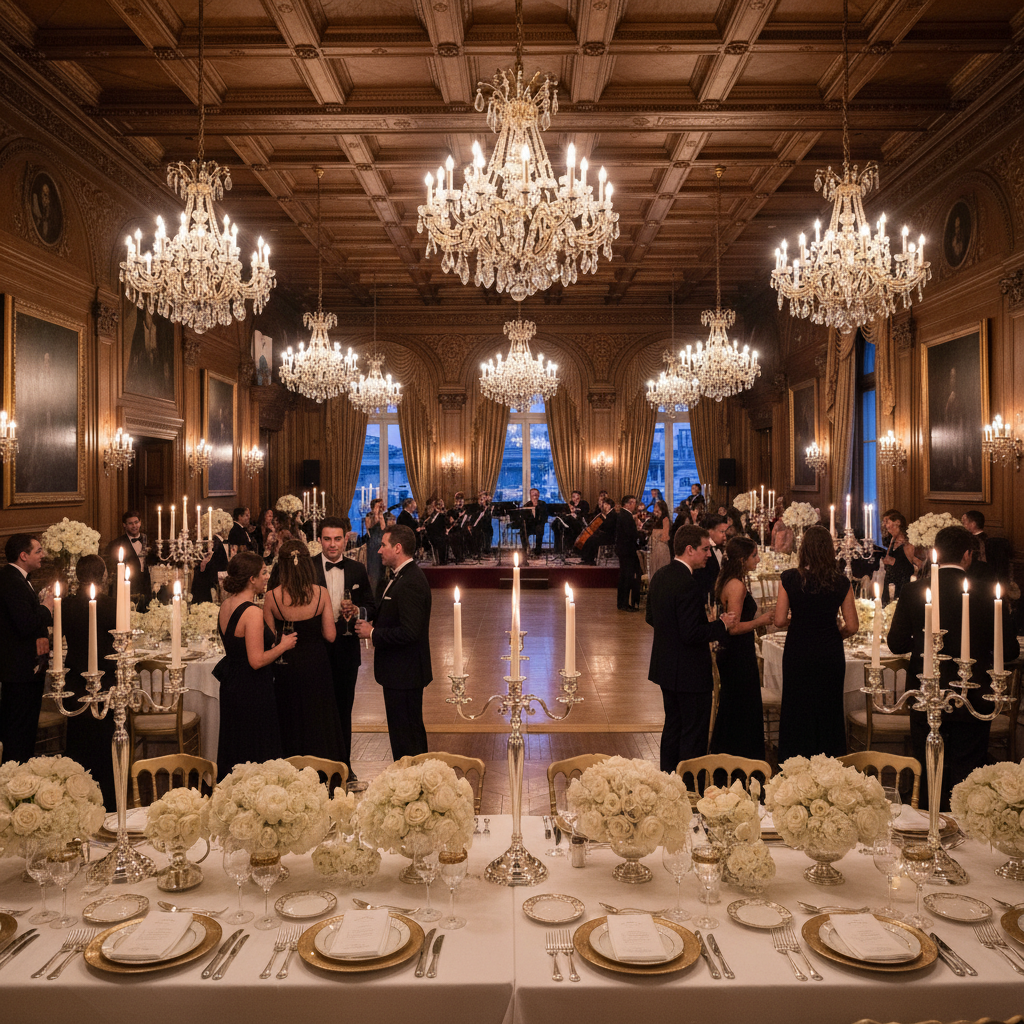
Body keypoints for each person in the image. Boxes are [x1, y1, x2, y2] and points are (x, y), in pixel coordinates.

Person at [887, 525, 1020, 809]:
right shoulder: (988, 594)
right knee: (968, 776)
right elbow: (1009, 651)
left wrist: (923, 638)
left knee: (927, 769)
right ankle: (966, 835)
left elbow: (896, 644)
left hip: (926, 694)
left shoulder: (914, 590)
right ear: (967, 556)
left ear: (936, 552)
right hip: (973, 697)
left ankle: (925, 828)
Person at [646, 525, 737, 771]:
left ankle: (666, 781)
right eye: (705, 549)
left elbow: (650, 617)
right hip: (690, 672)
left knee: (673, 727)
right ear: (689, 549)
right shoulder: (688, 584)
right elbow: (692, 633)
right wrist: (721, 625)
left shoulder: (660, 575)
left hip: (666, 668)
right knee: (693, 734)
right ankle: (688, 789)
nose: (709, 554)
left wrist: (672, 633)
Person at [774, 525, 858, 761]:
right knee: (829, 708)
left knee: (796, 707)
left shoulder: (790, 578)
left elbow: (780, 620)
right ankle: (830, 763)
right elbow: (852, 626)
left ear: (804, 550)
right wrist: (833, 635)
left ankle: (793, 763)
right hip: (829, 651)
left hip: (798, 649)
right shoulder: (841, 582)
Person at [264, 540, 346, 762]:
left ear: (281, 565)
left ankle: (291, 766)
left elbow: (271, 640)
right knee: (318, 717)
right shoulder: (320, 593)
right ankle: (323, 767)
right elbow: (330, 635)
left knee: (290, 715)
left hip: (287, 666)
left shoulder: (271, 597)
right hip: (316, 664)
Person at [355, 524, 431, 759]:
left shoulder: (411, 582)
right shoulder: (400, 577)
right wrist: (360, 613)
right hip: (399, 673)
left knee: (407, 736)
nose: (379, 550)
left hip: (405, 673)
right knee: (402, 733)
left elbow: (410, 632)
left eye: (384, 545)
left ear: (398, 548)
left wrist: (373, 633)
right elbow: (387, 613)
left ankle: (414, 782)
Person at [215, 553, 294, 779]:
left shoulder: (226, 605)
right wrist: (283, 646)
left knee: (235, 744)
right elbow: (256, 660)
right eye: (263, 573)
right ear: (251, 579)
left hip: (232, 685)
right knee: (257, 747)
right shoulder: (252, 612)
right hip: (252, 688)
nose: (267, 577)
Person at [313, 516, 375, 789]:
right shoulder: (308, 568)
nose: (332, 544)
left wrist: (358, 611)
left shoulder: (357, 569)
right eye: (327, 539)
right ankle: (316, 770)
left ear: (346, 539)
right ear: (319, 540)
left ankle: (344, 768)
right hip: (315, 650)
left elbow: (370, 606)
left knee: (343, 711)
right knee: (318, 711)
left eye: (337, 539)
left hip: (347, 651)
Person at [709, 537, 774, 760]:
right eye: (754, 556)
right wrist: (761, 620)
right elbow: (733, 628)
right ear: (742, 559)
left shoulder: (728, 579)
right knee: (742, 706)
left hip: (734, 652)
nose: (758, 559)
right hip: (737, 653)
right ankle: (741, 757)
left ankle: (730, 755)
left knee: (734, 705)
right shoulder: (736, 585)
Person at [59, 554, 116, 805]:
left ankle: (76, 796)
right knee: (105, 739)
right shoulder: (112, 605)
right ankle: (109, 798)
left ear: (77, 576)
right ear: (104, 576)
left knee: (78, 738)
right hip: (106, 679)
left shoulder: (67, 606)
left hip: (74, 678)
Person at [0, 535, 54, 763]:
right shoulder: (11, 580)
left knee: (23, 729)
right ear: (24, 556)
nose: (43, 555)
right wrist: (46, 607)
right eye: (38, 551)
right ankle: (15, 777)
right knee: (18, 732)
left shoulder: (18, 578)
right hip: (19, 671)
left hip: (22, 670)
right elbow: (25, 624)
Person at [107, 510, 150, 611]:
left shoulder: (148, 539)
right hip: (129, 585)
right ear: (124, 525)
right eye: (130, 523)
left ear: (140, 522)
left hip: (147, 584)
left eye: (136, 522)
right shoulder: (116, 544)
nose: (134, 526)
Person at [880, 509, 918, 605]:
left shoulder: (908, 544)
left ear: (897, 523)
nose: (886, 527)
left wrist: (894, 562)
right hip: (889, 582)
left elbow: (916, 567)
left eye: (888, 523)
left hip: (901, 585)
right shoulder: (893, 539)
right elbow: (888, 559)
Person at [613, 495, 641, 611]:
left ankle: (622, 603)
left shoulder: (623, 515)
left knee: (624, 576)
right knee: (627, 577)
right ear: (627, 504)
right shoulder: (626, 516)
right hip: (627, 551)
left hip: (623, 550)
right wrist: (639, 533)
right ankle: (624, 604)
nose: (635, 505)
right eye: (633, 503)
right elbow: (631, 534)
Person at [694, 514, 728, 602]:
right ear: (710, 532)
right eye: (722, 532)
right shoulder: (703, 552)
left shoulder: (718, 547)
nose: (725, 535)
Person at [518, 488, 547, 560]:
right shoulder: (527, 505)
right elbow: (524, 518)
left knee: (539, 529)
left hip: (539, 524)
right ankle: (525, 550)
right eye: (533, 494)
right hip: (530, 526)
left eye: (536, 494)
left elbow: (545, 516)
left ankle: (538, 551)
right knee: (523, 530)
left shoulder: (542, 504)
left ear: (538, 495)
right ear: (530, 496)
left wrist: (536, 507)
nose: (535, 496)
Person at [363, 497, 386, 590]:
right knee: (373, 569)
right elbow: (369, 526)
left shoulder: (381, 515)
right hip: (372, 543)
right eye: (379, 504)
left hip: (380, 542)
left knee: (381, 569)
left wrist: (380, 515)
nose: (381, 506)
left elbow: (383, 528)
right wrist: (375, 514)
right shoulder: (369, 515)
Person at [647, 499, 672, 577]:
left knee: (661, 569)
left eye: (656, 507)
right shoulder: (655, 520)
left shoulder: (665, 520)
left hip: (662, 548)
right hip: (655, 548)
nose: (655, 508)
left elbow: (665, 536)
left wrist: (656, 537)